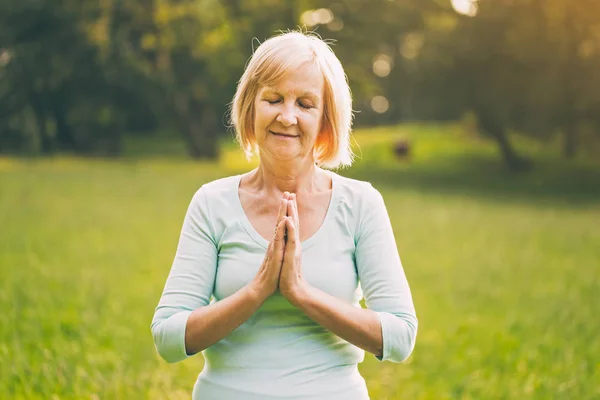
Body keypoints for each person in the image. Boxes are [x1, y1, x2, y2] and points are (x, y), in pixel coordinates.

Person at [151, 31, 418, 400]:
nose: (287, 116)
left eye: (305, 104)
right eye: (273, 99)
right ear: (251, 108)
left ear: (326, 119)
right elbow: (167, 337)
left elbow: (401, 336)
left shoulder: (361, 205)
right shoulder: (212, 203)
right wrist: (257, 290)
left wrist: (300, 293)